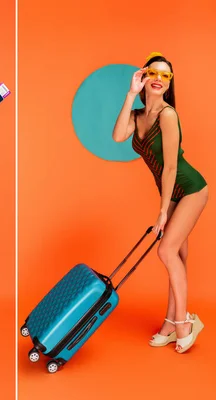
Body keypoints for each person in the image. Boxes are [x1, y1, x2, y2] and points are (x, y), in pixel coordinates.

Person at [112, 51, 208, 354]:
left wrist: (164, 211)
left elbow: (169, 167)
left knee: (166, 250)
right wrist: (130, 94)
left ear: (170, 83)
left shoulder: (168, 115)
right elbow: (117, 137)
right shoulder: (138, 115)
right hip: (172, 192)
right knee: (176, 258)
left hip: (190, 189)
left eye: (165, 75)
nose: (158, 79)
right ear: (144, 76)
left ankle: (184, 323)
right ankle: (170, 324)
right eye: (153, 73)